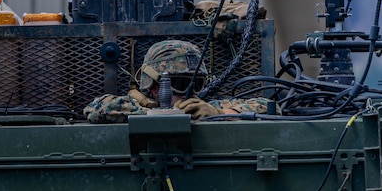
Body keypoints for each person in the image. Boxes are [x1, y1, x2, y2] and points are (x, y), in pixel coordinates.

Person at [84, 39, 273, 123]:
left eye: (196, 84)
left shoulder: (205, 109)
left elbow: (268, 107)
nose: (188, 93)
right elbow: (97, 109)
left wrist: (219, 113)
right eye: (180, 84)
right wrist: (158, 115)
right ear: (155, 87)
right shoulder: (133, 106)